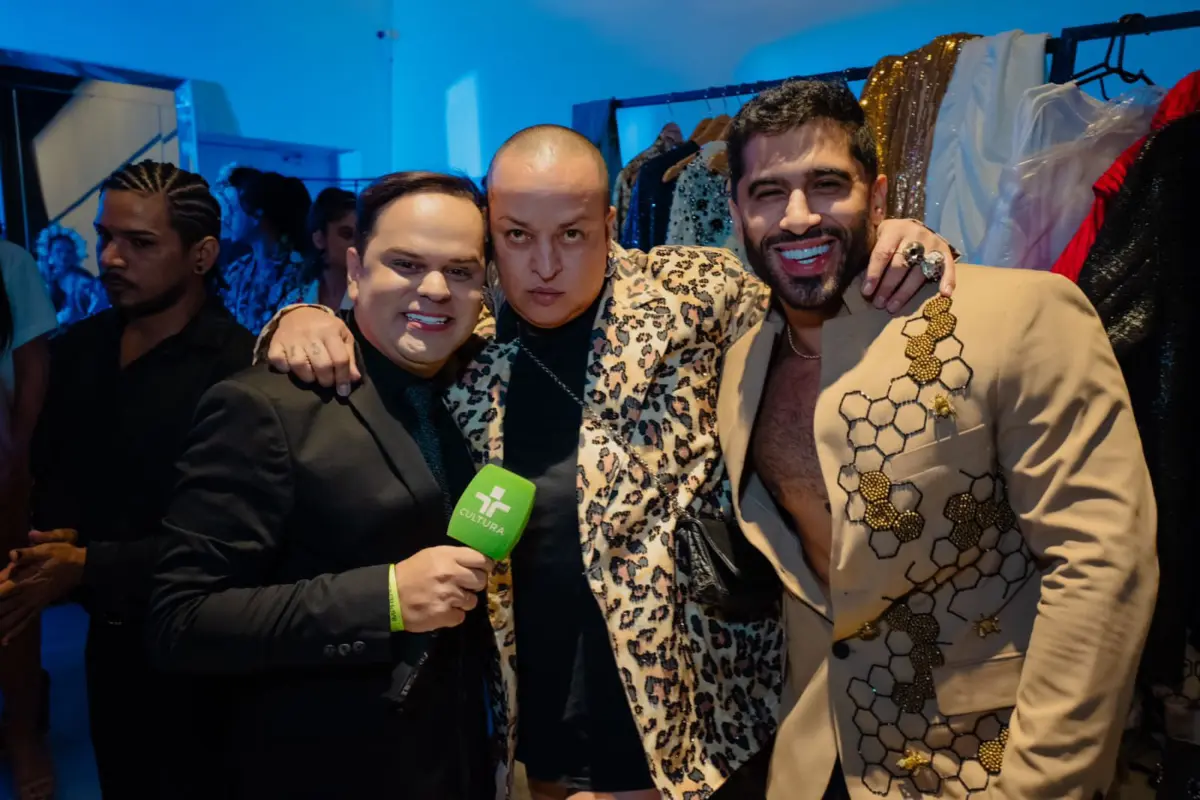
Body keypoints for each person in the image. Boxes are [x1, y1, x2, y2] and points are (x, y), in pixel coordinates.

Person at [257, 125, 958, 798]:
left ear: (610, 223)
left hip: (703, 714)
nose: (545, 265)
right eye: (517, 236)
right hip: (535, 711)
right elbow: (376, 342)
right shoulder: (465, 339)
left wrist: (896, 243)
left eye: (572, 234)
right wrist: (302, 318)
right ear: (490, 234)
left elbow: (819, 297)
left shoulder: (694, 293)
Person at [715, 80, 1157, 799]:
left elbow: (1102, 566)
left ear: (878, 197)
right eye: (768, 193)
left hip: (983, 763)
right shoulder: (743, 360)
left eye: (827, 185)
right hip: (815, 756)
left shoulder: (1019, 315)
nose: (797, 217)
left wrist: (1045, 784)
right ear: (736, 211)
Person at [148, 171, 498, 799]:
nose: (436, 288)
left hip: (454, 758)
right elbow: (182, 619)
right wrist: (385, 598)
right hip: (327, 765)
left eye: (461, 271)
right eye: (406, 264)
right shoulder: (265, 405)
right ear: (355, 269)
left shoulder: (480, 388)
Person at [0, 160, 255, 799]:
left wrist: (89, 562)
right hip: (109, 635)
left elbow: (232, 543)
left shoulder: (240, 371)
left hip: (208, 646)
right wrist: (58, 536)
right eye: (104, 236)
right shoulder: (79, 350)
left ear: (201, 255)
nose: (111, 258)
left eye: (139, 243)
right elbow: (59, 469)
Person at [0, 238, 56, 800]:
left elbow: (32, 362)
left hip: (1, 458)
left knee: (11, 595)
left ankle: (22, 731)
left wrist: (17, 453)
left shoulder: (8, 261)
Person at [220, 170, 312, 331]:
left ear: (257, 213)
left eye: (233, 210)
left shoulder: (300, 273)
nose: (226, 217)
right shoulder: (236, 271)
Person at [282, 186, 357, 310]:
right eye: (347, 234)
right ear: (319, 239)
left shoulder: (372, 298)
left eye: (361, 235)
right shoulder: (296, 301)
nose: (357, 243)